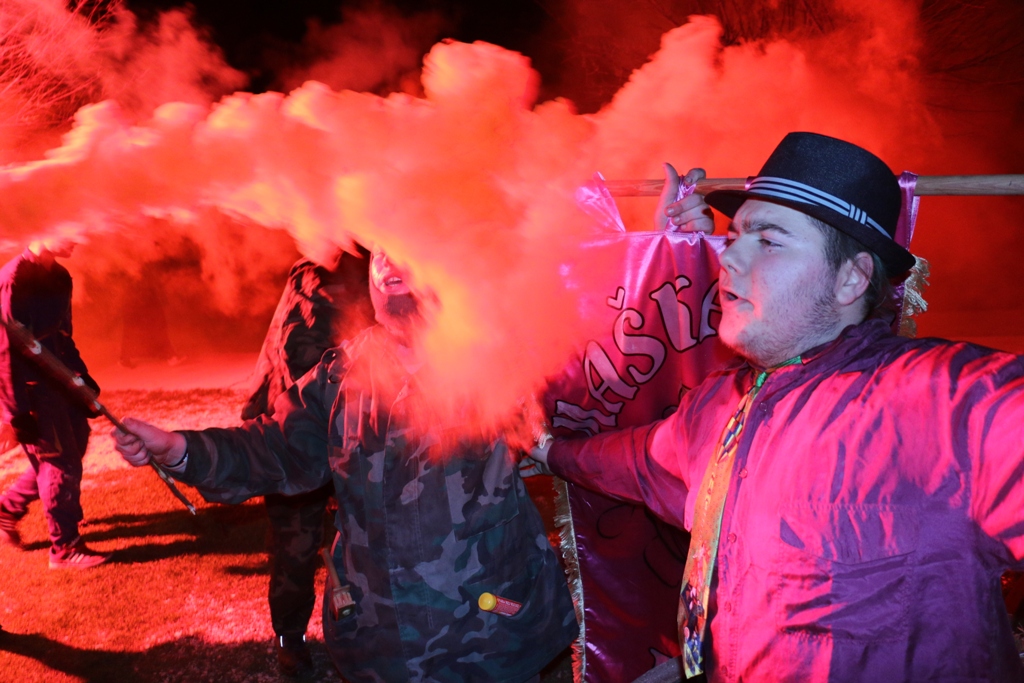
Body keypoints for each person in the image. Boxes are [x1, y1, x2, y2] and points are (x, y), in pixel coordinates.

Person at [532, 132, 1024, 681]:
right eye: (736, 234)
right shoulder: (717, 410)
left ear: (851, 278)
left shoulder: (946, 402)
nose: (730, 256)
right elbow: (632, 462)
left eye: (769, 240)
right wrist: (549, 450)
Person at [113, 245, 578, 683]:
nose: (387, 259)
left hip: (487, 634)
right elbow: (274, 447)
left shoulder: (496, 357)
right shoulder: (341, 374)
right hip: (384, 643)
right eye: (378, 248)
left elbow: (579, 399)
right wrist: (179, 449)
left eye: (404, 241)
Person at [242, 248, 373, 679]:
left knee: (368, 539)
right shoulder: (323, 271)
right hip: (299, 431)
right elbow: (303, 358)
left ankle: (367, 630)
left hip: (344, 428)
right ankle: (289, 642)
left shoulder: (371, 260)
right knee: (296, 548)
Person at [0, 236, 111, 569]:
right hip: (30, 389)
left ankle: (6, 509)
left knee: (73, 448)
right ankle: (64, 547)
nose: (78, 237)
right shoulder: (13, 280)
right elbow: (4, 351)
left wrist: (81, 379)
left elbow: (63, 336)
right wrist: (15, 413)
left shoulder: (60, 277)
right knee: (59, 463)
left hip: (58, 381)